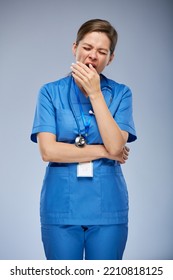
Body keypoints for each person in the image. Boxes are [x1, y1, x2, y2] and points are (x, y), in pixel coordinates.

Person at [30, 19, 137, 260]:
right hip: (61, 207)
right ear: (74, 47)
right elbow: (48, 151)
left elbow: (117, 145)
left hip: (108, 206)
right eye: (87, 48)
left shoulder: (121, 94)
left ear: (110, 59)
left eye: (102, 52)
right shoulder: (50, 92)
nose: (92, 56)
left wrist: (95, 93)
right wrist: (106, 152)